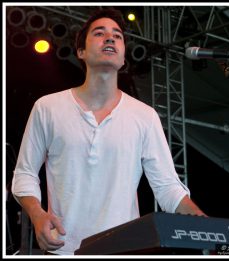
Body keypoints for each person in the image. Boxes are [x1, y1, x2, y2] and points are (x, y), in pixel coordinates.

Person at [11, 8, 206, 255]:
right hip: (64, 248)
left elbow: (167, 186)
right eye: (99, 33)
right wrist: (38, 216)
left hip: (124, 249)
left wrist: (203, 221)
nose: (110, 38)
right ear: (80, 51)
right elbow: (25, 174)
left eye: (118, 36)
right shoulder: (47, 107)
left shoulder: (145, 116)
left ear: (123, 57)